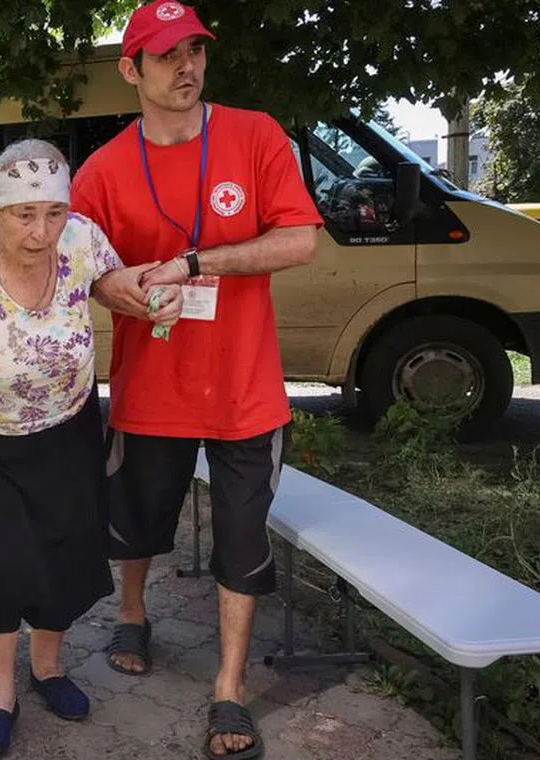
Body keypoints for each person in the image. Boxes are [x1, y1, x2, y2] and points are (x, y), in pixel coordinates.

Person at [70, 2, 323, 757]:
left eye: (196, 51)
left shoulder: (254, 135)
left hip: (246, 392)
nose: (187, 67)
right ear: (131, 69)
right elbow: (75, 267)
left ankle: (230, 688)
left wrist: (195, 262)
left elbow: (301, 240)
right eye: (167, 54)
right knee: (139, 525)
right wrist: (113, 289)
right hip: (153, 391)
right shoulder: (105, 169)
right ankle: (134, 612)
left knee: (243, 545)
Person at [0, 139, 181, 758]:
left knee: (63, 553)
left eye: (53, 212)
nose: (42, 230)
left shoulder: (81, 238)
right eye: (25, 215)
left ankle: (48, 669)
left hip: (67, 428)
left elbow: (111, 283)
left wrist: (154, 294)